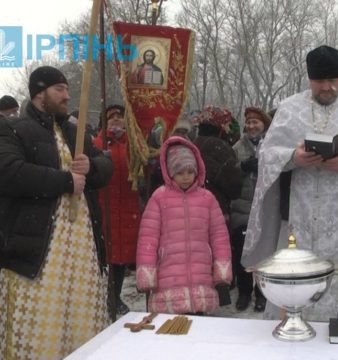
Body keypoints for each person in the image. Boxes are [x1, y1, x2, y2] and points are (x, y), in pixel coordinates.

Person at [241, 45, 338, 321]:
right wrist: (293, 157)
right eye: (321, 81)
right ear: (310, 78)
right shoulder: (289, 107)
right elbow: (267, 154)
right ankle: (291, 331)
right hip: (296, 215)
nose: (328, 87)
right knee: (293, 277)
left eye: (334, 80)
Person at [0, 66, 113, 358]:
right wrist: (64, 180)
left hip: (81, 250)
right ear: (40, 94)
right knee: (41, 327)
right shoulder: (13, 128)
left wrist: (93, 167)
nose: (67, 95)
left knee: (82, 320)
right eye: (59, 89)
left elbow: (106, 166)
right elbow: (9, 173)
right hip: (38, 250)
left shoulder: (75, 131)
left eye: (67, 89)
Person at [136, 136, 232, 314]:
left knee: (199, 331)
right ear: (170, 173)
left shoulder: (207, 198)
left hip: (201, 274)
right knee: (172, 332)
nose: (186, 177)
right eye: (180, 173)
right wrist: (147, 272)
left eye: (190, 172)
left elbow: (219, 236)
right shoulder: (159, 198)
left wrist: (222, 269)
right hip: (168, 276)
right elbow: (148, 239)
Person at [93, 104, 141, 315]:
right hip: (105, 208)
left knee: (120, 257)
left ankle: (115, 296)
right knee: (104, 256)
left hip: (128, 207)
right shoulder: (96, 143)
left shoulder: (133, 144)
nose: (116, 120)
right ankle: (100, 297)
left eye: (119, 117)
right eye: (111, 118)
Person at [230, 106, 270, 312]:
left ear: (263, 124)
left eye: (256, 122)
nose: (252, 126)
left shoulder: (271, 145)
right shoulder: (238, 147)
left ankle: (262, 293)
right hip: (242, 208)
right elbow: (228, 174)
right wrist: (243, 168)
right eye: (249, 123)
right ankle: (245, 292)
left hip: (265, 206)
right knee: (242, 253)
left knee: (264, 253)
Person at [192, 106, 242, 224]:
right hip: (216, 213)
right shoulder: (222, 149)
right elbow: (234, 188)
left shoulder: (191, 145)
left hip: (189, 212)